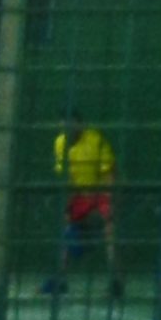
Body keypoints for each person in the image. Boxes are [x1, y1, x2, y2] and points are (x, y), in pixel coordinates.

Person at [44, 109, 121, 299]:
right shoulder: (60, 143)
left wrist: (109, 201)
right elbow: (67, 177)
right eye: (63, 126)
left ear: (80, 124)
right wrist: (68, 206)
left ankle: (116, 281)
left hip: (101, 192)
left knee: (110, 231)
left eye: (71, 125)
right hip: (79, 194)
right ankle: (60, 279)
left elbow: (109, 173)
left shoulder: (95, 139)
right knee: (66, 230)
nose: (67, 130)